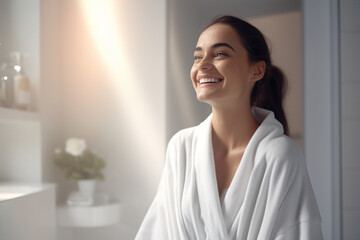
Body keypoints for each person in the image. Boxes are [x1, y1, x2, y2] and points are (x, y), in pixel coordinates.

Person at [135, 15, 323, 240]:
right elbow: (160, 230)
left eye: (220, 54)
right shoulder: (181, 147)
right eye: (197, 57)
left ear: (257, 71)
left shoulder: (280, 155)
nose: (202, 65)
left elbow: (296, 232)